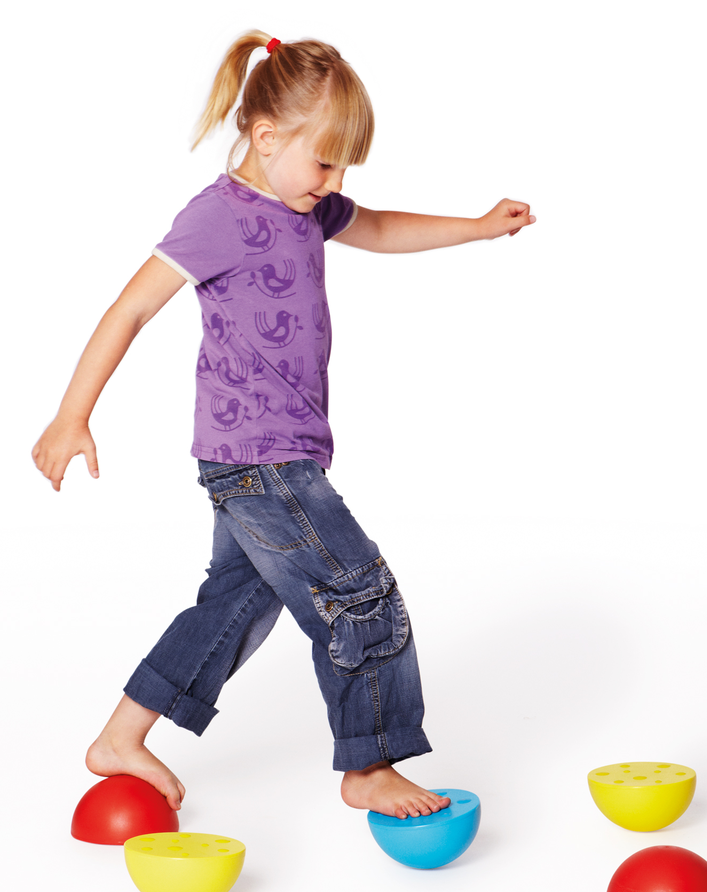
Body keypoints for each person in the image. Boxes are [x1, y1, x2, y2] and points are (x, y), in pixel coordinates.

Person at [32, 31, 535, 820]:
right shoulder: (217, 217)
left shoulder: (306, 205)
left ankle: (120, 739)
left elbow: (378, 227)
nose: (333, 185)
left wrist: (474, 226)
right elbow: (129, 309)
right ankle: (369, 764)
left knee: (234, 605)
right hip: (259, 459)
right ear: (266, 138)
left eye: (343, 170)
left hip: (277, 456)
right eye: (325, 164)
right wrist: (72, 415)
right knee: (357, 591)